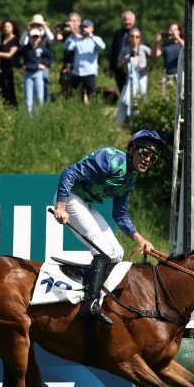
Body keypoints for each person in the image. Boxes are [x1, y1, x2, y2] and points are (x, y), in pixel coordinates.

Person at [53, 129, 167, 325]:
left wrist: (140, 239)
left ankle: (98, 297)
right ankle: (89, 303)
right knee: (103, 251)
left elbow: (120, 214)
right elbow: (69, 173)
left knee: (116, 252)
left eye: (153, 157)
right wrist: (61, 207)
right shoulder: (110, 159)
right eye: (144, 152)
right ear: (132, 150)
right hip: (71, 197)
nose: (148, 159)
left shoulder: (131, 178)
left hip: (84, 203)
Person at [115, 28, 152, 125]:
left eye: (137, 37)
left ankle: (140, 121)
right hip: (129, 79)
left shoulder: (143, 48)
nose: (134, 39)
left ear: (140, 38)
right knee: (125, 99)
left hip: (142, 78)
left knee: (141, 99)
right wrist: (127, 59)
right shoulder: (125, 49)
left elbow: (154, 56)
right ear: (129, 38)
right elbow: (118, 65)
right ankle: (122, 122)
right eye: (132, 36)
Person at [64, 19, 106, 104]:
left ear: (92, 28)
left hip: (89, 72)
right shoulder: (77, 40)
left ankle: (92, 108)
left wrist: (92, 36)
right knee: (73, 93)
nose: (84, 29)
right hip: (77, 72)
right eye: (82, 27)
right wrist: (72, 35)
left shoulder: (96, 39)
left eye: (86, 27)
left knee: (91, 94)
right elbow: (67, 48)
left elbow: (102, 47)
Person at [18, 14, 55, 101]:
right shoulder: (30, 34)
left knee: (45, 82)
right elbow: (22, 43)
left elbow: (52, 40)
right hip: (31, 64)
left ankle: (45, 102)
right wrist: (27, 30)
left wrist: (46, 28)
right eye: (35, 24)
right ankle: (34, 103)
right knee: (31, 86)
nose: (37, 26)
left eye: (39, 24)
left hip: (43, 64)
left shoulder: (45, 33)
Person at [0, 19, 19, 106]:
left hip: (7, 69)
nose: (6, 28)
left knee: (7, 88)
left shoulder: (15, 40)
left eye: (8, 26)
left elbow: (10, 55)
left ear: (13, 28)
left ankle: (10, 107)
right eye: (5, 26)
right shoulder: (0, 38)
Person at [55, 12, 81, 99]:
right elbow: (57, 38)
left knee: (79, 88)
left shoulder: (82, 32)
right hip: (66, 63)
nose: (71, 22)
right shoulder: (67, 34)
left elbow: (79, 38)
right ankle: (67, 103)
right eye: (69, 20)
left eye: (73, 21)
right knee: (65, 86)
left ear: (79, 22)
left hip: (77, 64)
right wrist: (56, 30)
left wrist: (72, 29)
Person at [154, 22, 184, 94]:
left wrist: (177, 38)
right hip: (167, 77)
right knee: (166, 97)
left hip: (181, 76)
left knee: (181, 97)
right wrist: (156, 43)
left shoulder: (181, 43)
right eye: (170, 30)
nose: (171, 32)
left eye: (174, 30)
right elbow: (155, 55)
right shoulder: (165, 45)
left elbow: (188, 50)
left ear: (179, 32)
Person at [109, 10, 136, 93]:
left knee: (133, 91)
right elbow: (113, 51)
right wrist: (111, 68)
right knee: (122, 91)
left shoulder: (138, 34)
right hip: (119, 68)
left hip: (133, 67)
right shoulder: (117, 34)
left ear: (133, 21)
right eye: (125, 20)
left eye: (129, 20)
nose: (127, 22)